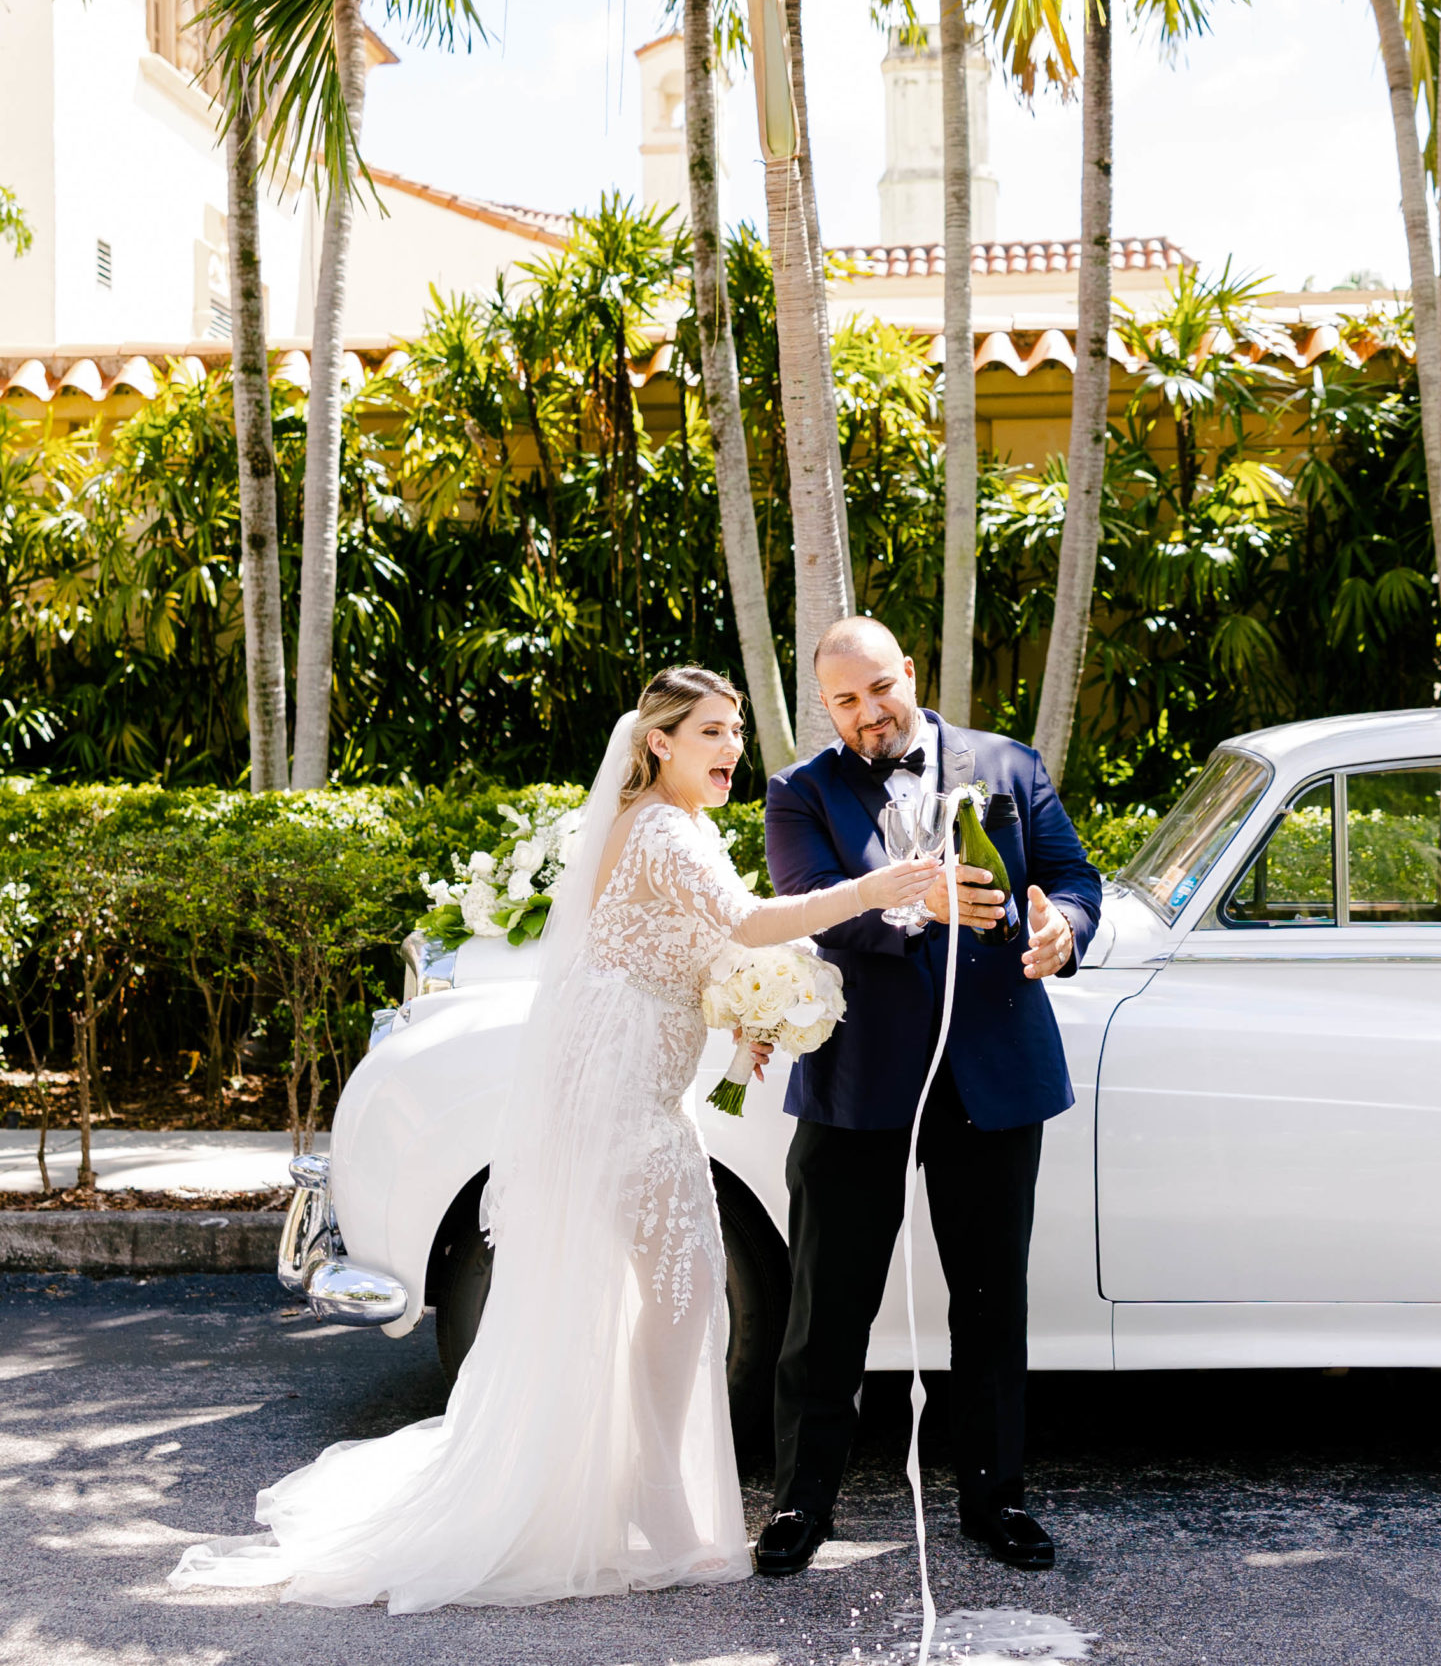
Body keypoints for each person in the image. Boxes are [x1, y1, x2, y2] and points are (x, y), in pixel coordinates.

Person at [169, 667, 939, 1613]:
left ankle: (642, 1499)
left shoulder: (679, 826)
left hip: (642, 1090)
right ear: (659, 743)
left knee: (668, 1297)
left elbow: (689, 946)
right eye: (710, 731)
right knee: (682, 1295)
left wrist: (742, 1007)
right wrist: (874, 888)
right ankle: (658, 1513)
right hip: (619, 1094)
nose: (731, 747)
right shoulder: (659, 827)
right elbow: (744, 920)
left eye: (735, 730)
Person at [757, 616, 1099, 1577]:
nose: (868, 717)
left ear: (910, 672)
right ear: (828, 708)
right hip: (857, 1080)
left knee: (992, 1302)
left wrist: (1063, 928)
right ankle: (799, 1506)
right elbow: (816, 903)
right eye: (844, 704)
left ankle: (997, 1500)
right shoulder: (801, 794)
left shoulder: (1009, 763)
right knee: (828, 1304)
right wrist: (915, 902)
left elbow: (1074, 878)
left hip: (993, 1077)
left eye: (878, 690)